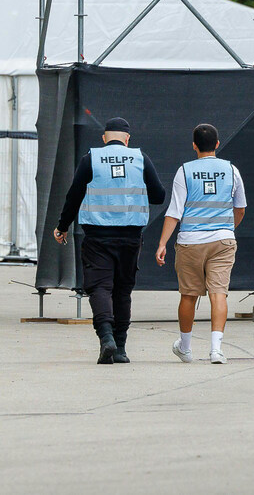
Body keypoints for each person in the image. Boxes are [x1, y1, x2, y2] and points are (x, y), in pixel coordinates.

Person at [53, 117, 166, 364]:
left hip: (97, 236)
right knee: (123, 291)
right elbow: (158, 195)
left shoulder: (90, 159)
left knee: (99, 287)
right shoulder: (140, 158)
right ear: (127, 139)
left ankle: (106, 338)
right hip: (130, 237)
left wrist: (62, 227)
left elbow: (73, 196)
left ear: (104, 138)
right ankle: (121, 349)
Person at [155, 124, 246, 364]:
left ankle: (185, 348)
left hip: (190, 242)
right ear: (217, 144)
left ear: (194, 145)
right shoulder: (232, 170)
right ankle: (216, 349)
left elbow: (174, 212)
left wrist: (163, 243)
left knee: (188, 295)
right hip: (223, 240)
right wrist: (227, 229)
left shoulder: (184, 171)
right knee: (219, 294)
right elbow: (240, 208)